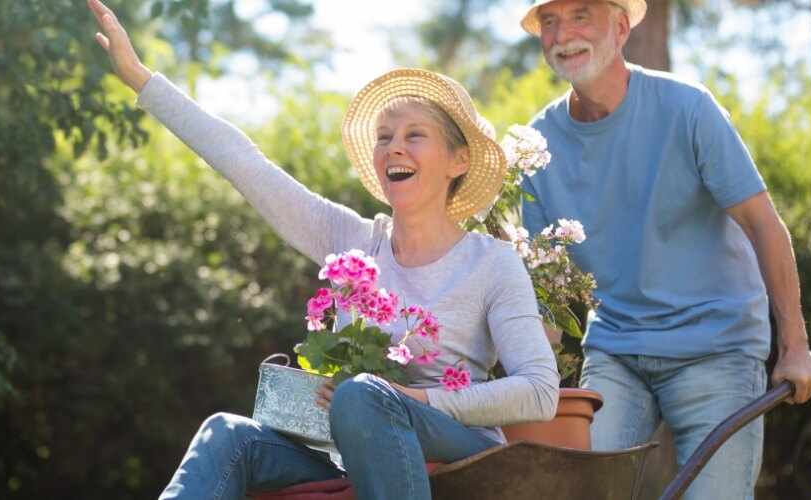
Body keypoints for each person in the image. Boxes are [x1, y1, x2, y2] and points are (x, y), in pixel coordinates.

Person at [86, 1, 558, 498]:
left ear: (458, 159)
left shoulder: (492, 263)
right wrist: (142, 80)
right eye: (384, 137)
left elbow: (541, 392)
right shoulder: (352, 243)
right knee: (228, 434)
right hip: (352, 454)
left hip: (460, 452)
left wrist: (409, 397)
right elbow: (246, 165)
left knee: (361, 394)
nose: (393, 147)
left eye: (414, 135)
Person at [516, 0, 811, 497]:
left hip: (717, 346)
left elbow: (764, 225)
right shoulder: (536, 145)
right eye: (549, 22)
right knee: (576, 489)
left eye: (579, 16)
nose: (561, 34)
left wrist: (795, 346)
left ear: (620, 27)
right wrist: (525, 382)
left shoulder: (687, 107)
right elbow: (547, 294)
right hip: (616, 349)